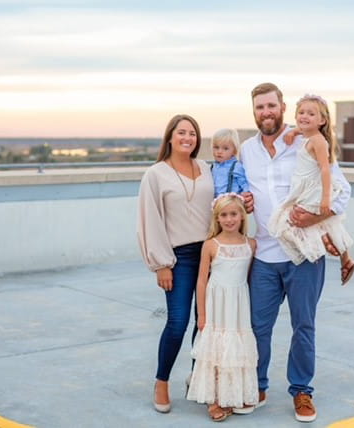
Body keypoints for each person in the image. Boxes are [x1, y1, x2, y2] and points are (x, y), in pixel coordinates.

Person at [240, 83, 352, 423]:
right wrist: (243, 200)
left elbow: (343, 191)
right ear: (254, 111)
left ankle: (301, 390)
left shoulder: (305, 141)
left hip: (304, 255)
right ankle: (257, 386)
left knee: (304, 326)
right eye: (260, 107)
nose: (266, 112)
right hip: (263, 256)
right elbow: (239, 190)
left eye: (271, 105)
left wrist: (317, 216)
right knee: (258, 327)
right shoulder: (246, 150)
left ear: (282, 106)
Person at [137, 114, 214, 414]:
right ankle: (162, 381)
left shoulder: (206, 168)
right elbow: (150, 220)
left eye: (193, 133)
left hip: (210, 253)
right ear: (170, 137)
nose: (187, 137)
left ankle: (197, 378)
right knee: (178, 322)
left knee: (205, 322)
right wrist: (161, 264)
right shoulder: (156, 175)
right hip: (178, 258)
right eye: (181, 132)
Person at [269, 94, 354, 283]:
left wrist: (326, 197)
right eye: (301, 112)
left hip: (314, 191)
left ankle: (321, 245)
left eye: (311, 113)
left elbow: (326, 170)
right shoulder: (311, 137)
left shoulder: (318, 141)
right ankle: (342, 254)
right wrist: (294, 132)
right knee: (323, 223)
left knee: (289, 221)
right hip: (307, 189)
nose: (304, 116)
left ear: (322, 120)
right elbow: (306, 131)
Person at [186, 193, 259, 422]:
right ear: (217, 219)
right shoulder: (211, 245)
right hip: (216, 304)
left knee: (235, 348)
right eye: (223, 215)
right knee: (217, 349)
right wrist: (202, 314)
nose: (229, 219)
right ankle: (214, 399)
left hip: (238, 304)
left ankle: (233, 394)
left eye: (233, 214)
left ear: (242, 215)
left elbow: (247, 277)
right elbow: (201, 281)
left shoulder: (251, 244)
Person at [210, 128, 250, 197]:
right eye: (216, 147)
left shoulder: (236, 166)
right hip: (216, 204)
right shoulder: (212, 167)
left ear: (234, 151)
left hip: (231, 203)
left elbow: (244, 184)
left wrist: (245, 194)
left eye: (225, 148)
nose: (219, 151)